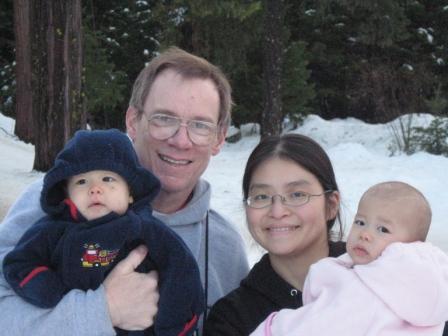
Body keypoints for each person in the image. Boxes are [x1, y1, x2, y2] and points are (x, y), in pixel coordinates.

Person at [0, 47, 249, 335]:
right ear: (133, 121)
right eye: (164, 119)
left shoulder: (225, 248)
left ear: (219, 138)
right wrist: (101, 311)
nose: (181, 141)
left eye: (200, 125)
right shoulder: (61, 202)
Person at [3, 129, 204, 336]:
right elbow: (19, 264)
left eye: (108, 179)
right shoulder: (51, 231)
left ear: (130, 195)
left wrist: (174, 326)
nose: (95, 189)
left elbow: (181, 270)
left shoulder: (146, 230)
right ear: (68, 195)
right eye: (82, 182)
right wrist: (48, 290)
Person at [251, 181, 448, 335]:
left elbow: (325, 325)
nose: (365, 234)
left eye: (383, 229)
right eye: (360, 222)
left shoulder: (369, 291)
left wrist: (274, 329)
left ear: (411, 246)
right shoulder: (425, 290)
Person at [204, 133, 345, 335]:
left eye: (297, 195)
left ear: (331, 205)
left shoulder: (376, 274)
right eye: (261, 197)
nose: (278, 212)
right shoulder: (232, 319)